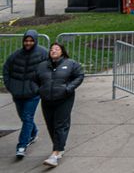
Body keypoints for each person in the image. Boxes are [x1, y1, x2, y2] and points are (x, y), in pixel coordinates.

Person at [33, 42, 84, 168]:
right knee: (51, 125)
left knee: (60, 125)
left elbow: (79, 76)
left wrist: (68, 88)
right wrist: (39, 90)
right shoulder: (42, 66)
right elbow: (34, 80)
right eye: (51, 49)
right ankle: (59, 148)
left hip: (64, 99)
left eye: (56, 49)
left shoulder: (71, 63)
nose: (53, 51)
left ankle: (55, 154)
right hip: (46, 99)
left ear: (62, 51)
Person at [3, 29, 48, 159]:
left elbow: (48, 70)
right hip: (17, 94)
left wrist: (39, 87)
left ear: (35, 40)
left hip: (33, 94)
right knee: (24, 118)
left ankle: (21, 146)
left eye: (31, 40)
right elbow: (6, 69)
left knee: (27, 117)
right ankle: (33, 133)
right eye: (26, 40)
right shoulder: (16, 55)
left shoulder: (43, 53)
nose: (28, 43)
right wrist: (10, 86)